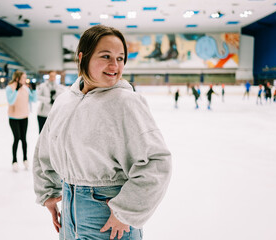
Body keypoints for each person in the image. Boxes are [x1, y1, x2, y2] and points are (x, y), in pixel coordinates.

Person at [33, 25, 172, 240]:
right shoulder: (64, 101)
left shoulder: (126, 103)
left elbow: (156, 163)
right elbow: (45, 150)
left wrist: (125, 212)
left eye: (120, 58)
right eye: (106, 56)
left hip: (108, 217)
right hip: (68, 217)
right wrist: (49, 193)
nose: (114, 65)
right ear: (82, 57)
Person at [6, 70, 37, 172]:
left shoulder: (25, 88)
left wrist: (34, 90)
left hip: (24, 117)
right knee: (17, 138)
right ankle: (14, 161)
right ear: (17, 78)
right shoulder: (9, 88)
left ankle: (25, 159)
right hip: (14, 118)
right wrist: (16, 90)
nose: (25, 79)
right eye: (23, 78)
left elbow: (33, 100)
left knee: (24, 139)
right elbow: (11, 101)